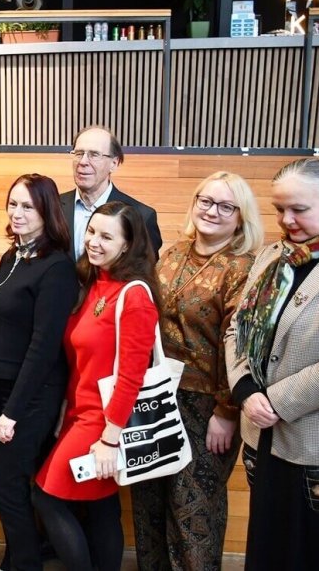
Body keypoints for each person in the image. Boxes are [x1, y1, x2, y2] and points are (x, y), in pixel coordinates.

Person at [131, 171, 262, 571]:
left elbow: (242, 348)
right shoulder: (173, 253)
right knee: (149, 501)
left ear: (240, 217)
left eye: (225, 206)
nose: (212, 211)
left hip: (208, 406)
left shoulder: (244, 269)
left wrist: (227, 412)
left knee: (193, 510)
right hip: (158, 393)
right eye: (205, 201)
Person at [33, 200, 160, 571]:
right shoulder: (94, 283)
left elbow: (132, 376)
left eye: (107, 237)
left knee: (46, 497)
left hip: (103, 421)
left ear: (127, 245)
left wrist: (110, 438)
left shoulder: (133, 294)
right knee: (102, 505)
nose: (94, 241)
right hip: (78, 413)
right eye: (91, 231)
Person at [0, 174, 78, 571]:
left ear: (47, 212)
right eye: (12, 204)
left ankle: (26, 562)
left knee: (6, 488)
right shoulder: (13, 256)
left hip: (31, 394)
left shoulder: (57, 267)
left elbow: (43, 346)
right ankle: (16, 557)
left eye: (27, 207)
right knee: (11, 486)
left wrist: (13, 412)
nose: (17, 213)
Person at [225, 157, 319, 570]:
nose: (286, 220)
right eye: (280, 209)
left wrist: (277, 401)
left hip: (308, 443)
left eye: (299, 209)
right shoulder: (273, 256)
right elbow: (237, 328)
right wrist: (245, 390)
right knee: (266, 546)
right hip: (260, 434)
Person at [60, 125, 162, 260]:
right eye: (78, 154)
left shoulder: (142, 216)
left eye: (94, 155)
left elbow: (144, 269)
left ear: (114, 163)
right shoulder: (52, 207)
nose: (83, 162)